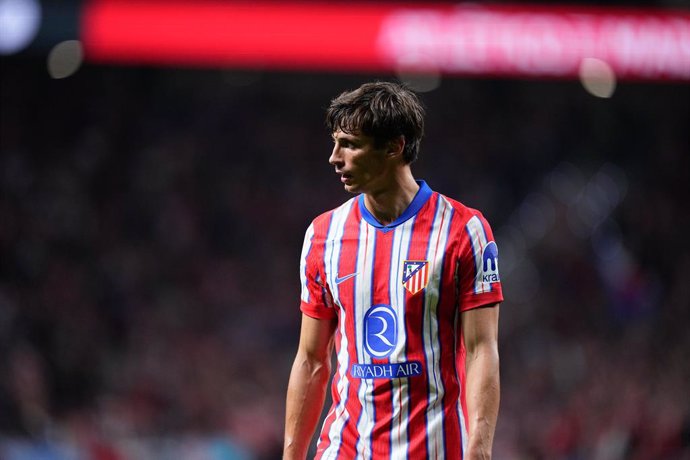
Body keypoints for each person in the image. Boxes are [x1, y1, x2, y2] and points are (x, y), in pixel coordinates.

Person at [283, 81, 503, 459]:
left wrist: (478, 450)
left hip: (433, 448)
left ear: (394, 146)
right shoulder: (323, 235)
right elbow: (312, 359)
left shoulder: (464, 231)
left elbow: (482, 349)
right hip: (346, 448)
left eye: (350, 144)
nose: (335, 158)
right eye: (335, 143)